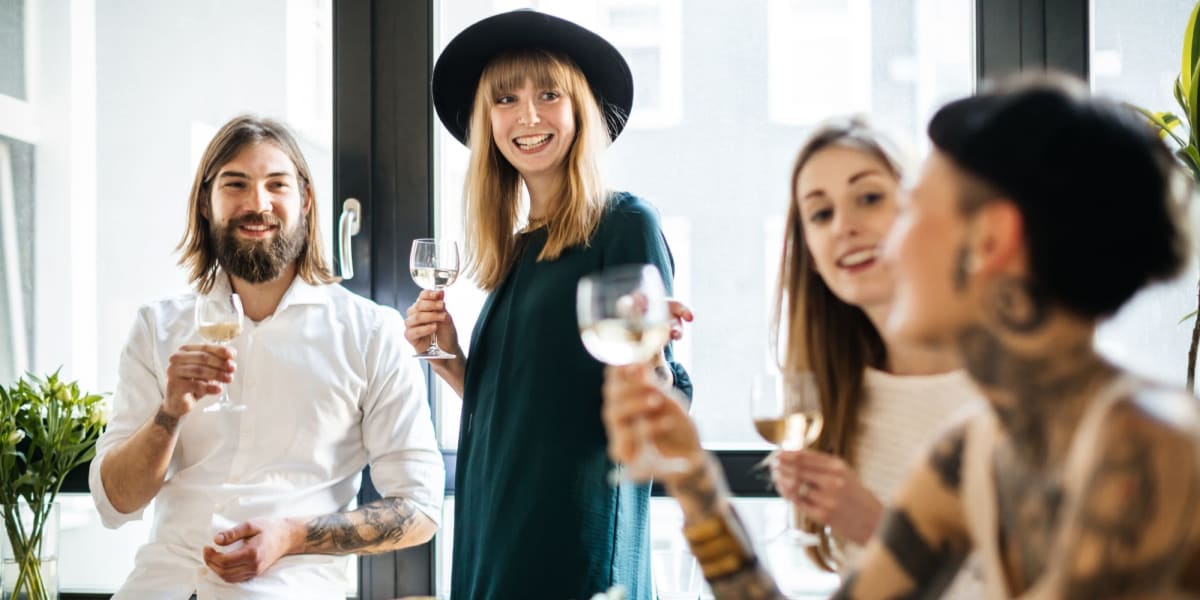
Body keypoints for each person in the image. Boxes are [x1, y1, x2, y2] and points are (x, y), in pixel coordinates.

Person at [608, 73, 1200, 598]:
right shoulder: (969, 451)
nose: (885, 241)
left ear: (991, 242)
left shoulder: (1145, 444)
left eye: (912, 208)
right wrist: (691, 477)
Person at [605, 118, 984, 596]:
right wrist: (691, 475)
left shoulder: (1001, 391)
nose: (844, 226)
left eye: (869, 198)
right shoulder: (844, 402)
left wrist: (880, 530)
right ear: (809, 251)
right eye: (821, 214)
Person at [89, 115, 445, 599]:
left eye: (276, 185)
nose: (258, 204)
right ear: (205, 203)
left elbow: (419, 510)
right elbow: (115, 504)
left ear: (305, 200)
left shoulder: (370, 333)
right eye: (236, 184)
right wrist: (169, 415)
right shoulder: (157, 327)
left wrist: (293, 536)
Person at [405, 9, 691, 600]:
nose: (528, 116)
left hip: (573, 530)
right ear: (488, 121)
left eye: (548, 94)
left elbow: (657, 401)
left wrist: (656, 362)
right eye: (506, 99)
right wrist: (453, 362)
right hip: (494, 521)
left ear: (579, 110)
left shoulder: (624, 223)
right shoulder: (516, 250)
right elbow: (528, 406)